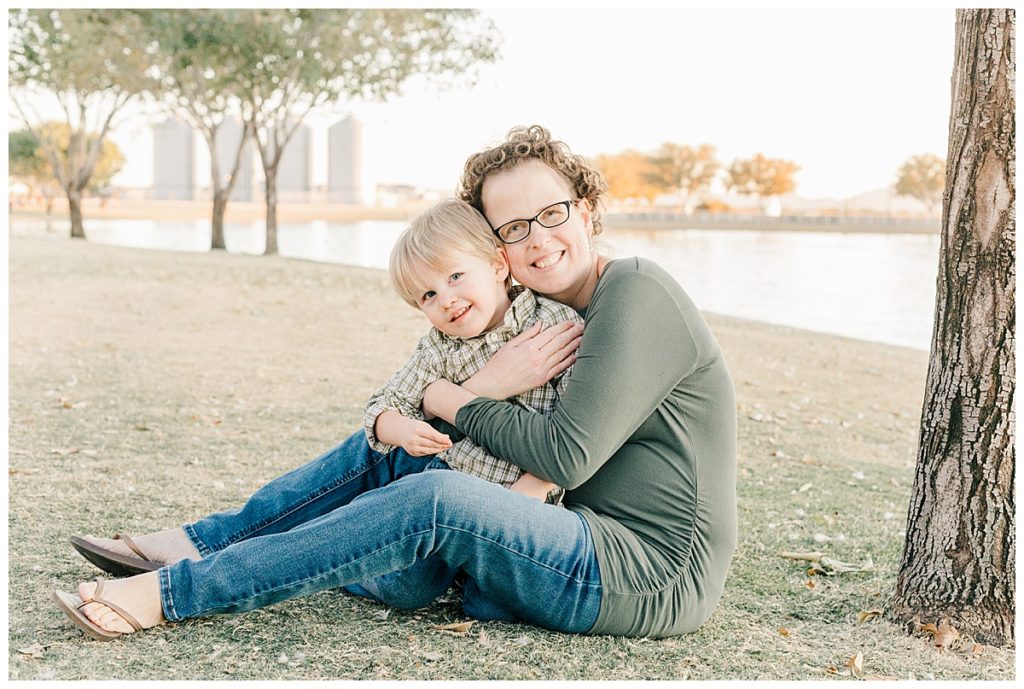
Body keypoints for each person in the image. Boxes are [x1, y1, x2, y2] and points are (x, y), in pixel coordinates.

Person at [55, 125, 737, 641]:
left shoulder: (636, 292)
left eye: (553, 214)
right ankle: (208, 539)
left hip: (644, 572)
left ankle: (173, 592)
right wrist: (437, 405)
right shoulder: (560, 313)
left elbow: (565, 457)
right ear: (498, 250)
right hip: (565, 540)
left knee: (436, 493)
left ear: (586, 209)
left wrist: (457, 399)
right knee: (397, 445)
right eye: (516, 227)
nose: (539, 240)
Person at [365, 197, 583, 503]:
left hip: (526, 494)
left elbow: (574, 427)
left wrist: (539, 483)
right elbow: (384, 403)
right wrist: (401, 429)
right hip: (446, 481)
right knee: (376, 511)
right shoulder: (439, 346)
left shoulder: (554, 324)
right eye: (429, 295)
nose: (446, 300)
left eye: (455, 277)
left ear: (497, 265)